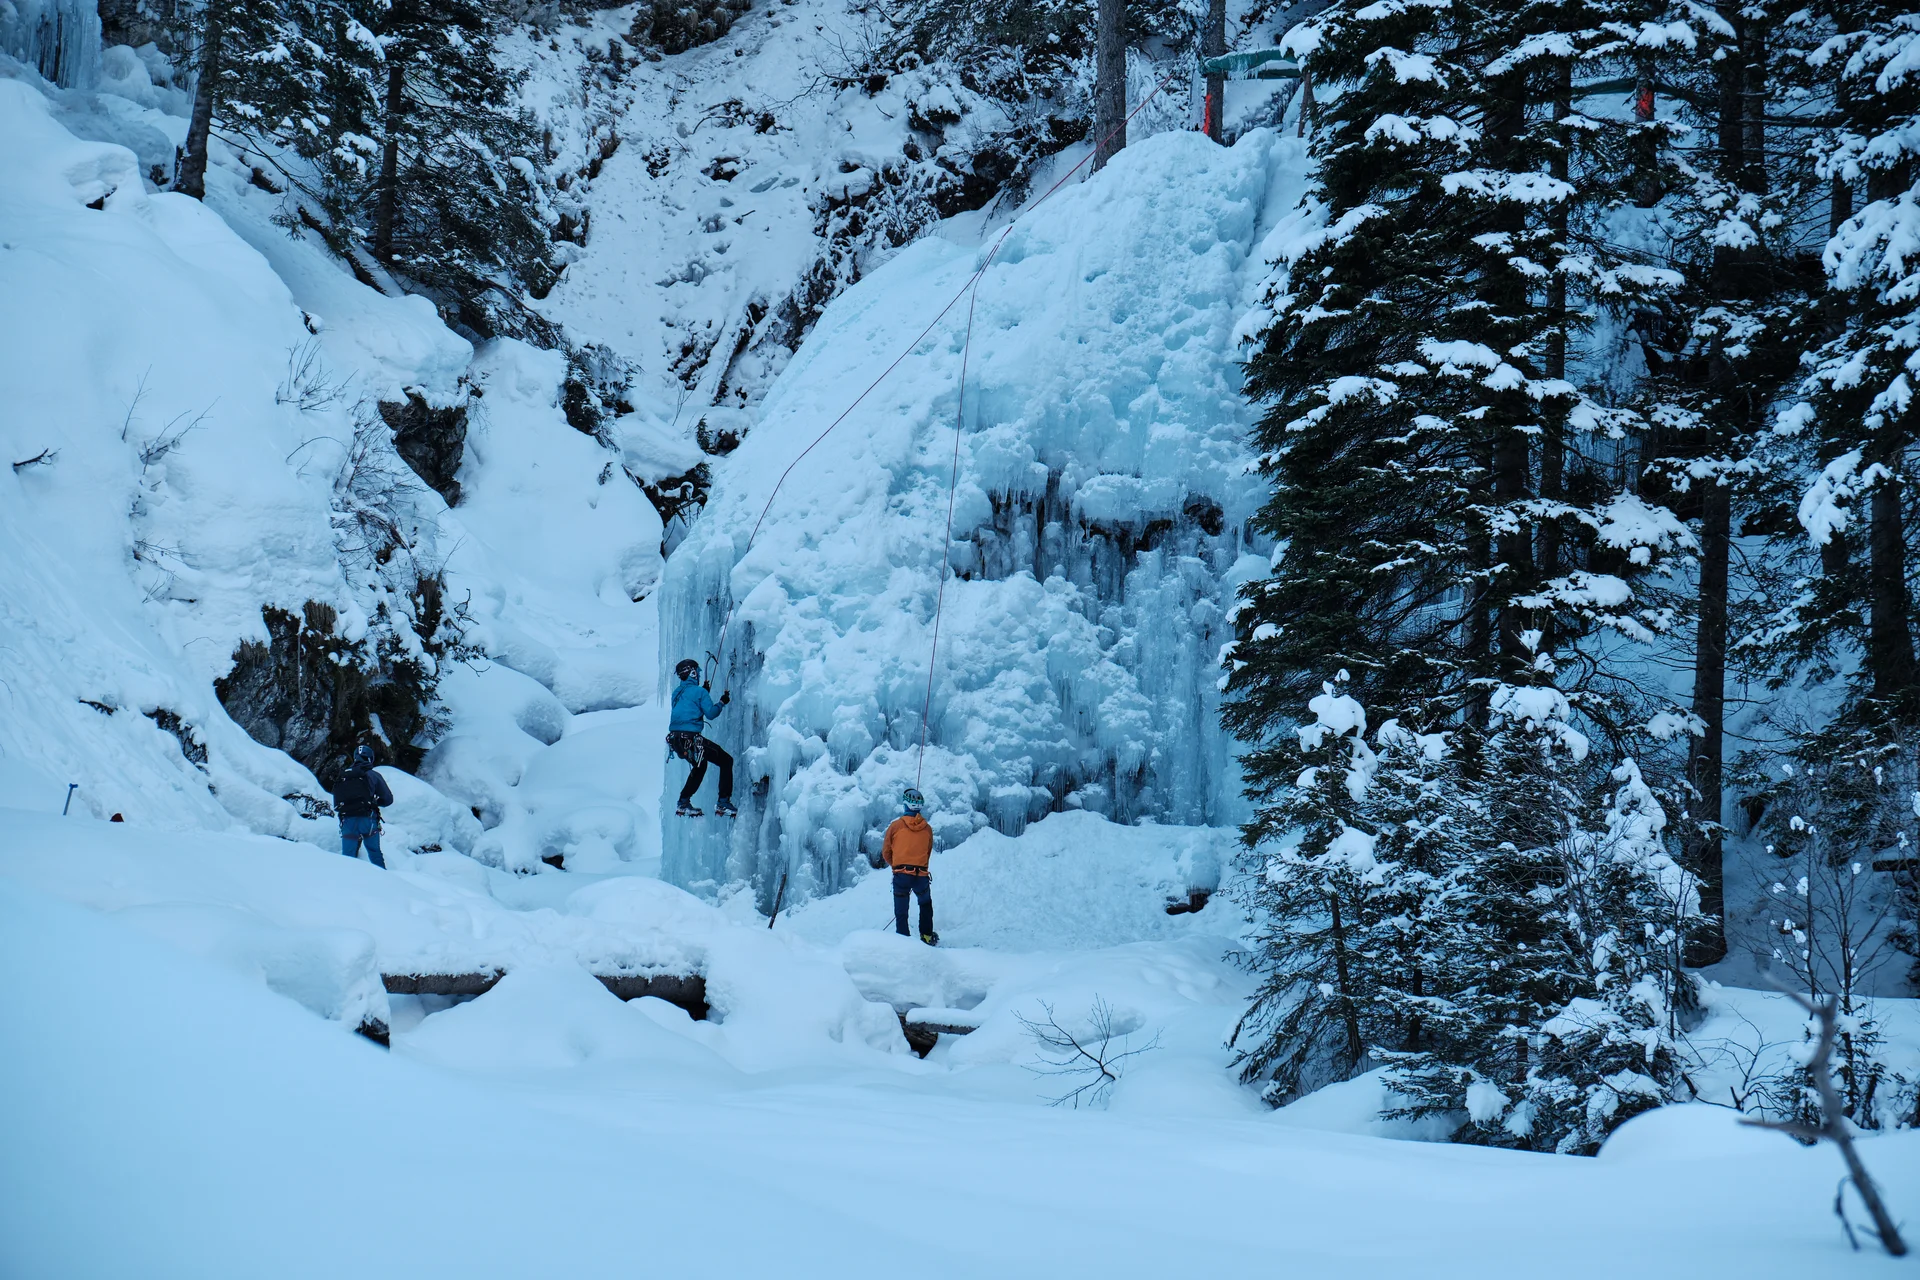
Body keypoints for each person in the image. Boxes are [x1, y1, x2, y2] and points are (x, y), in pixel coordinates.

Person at [668, 658, 736, 817]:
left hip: (676, 741)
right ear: (691, 672)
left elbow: (688, 706)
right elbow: (711, 714)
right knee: (726, 761)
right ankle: (723, 803)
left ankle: (683, 802)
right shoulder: (700, 692)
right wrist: (721, 702)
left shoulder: (676, 693)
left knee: (700, 766)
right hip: (691, 740)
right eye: (696, 672)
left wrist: (703, 691)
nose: (698, 674)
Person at [883, 787, 937, 945]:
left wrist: (897, 865)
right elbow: (927, 851)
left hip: (901, 874)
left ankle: (903, 940)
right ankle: (926, 936)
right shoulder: (927, 828)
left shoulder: (895, 826)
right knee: (925, 903)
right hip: (921, 875)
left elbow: (886, 851)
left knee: (901, 910)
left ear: (905, 805)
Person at [332, 743, 394, 868]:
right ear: (370, 758)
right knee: (374, 852)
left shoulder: (345, 774)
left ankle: (346, 882)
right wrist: (376, 802)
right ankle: (384, 881)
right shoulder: (373, 775)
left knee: (347, 856)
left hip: (347, 819)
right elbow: (388, 799)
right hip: (368, 819)